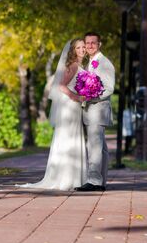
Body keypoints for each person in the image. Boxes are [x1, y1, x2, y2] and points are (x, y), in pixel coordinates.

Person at [17, 38, 87, 190]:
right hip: (70, 106)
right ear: (72, 50)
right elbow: (61, 86)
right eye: (78, 48)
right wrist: (76, 97)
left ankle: (72, 178)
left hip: (74, 107)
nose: (82, 50)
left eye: (83, 47)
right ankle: (68, 179)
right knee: (69, 139)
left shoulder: (79, 65)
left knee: (72, 138)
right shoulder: (74, 65)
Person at [76, 32, 115, 192]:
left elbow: (110, 88)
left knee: (94, 146)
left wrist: (89, 97)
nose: (90, 45)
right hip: (92, 111)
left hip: (97, 110)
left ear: (99, 44)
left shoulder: (104, 63)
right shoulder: (91, 62)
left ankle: (94, 181)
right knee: (101, 148)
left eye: (94, 42)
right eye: (88, 43)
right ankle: (101, 181)